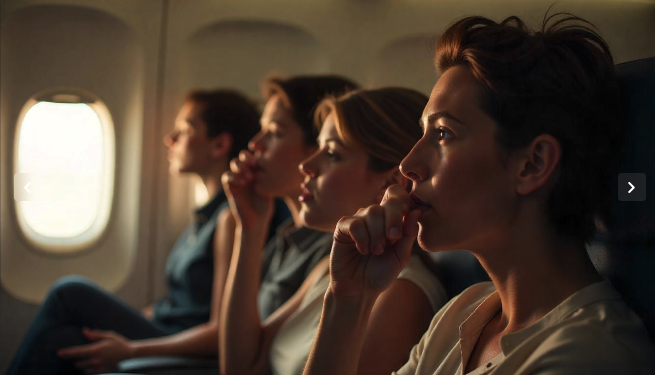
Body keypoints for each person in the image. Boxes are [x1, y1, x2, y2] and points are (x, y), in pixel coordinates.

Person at [302, 13, 655, 375]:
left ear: (532, 165)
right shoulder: (462, 312)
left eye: (442, 135)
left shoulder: (586, 355)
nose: (408, 164)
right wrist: (348, 300)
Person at [7, 90, 287, 375]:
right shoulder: (202, 218)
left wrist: (130, 349)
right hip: (163, 327)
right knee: (66, 341)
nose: (171, 139)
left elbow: (218, 331)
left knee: (69, 293)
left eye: (185, 129)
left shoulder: (232, 219)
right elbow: (175, 305)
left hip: (181, 340)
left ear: (219, 144)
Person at [220, 88, 448, 375]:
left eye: (331, 154)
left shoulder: (401, 296)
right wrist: (250, 228)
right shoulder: (330, 270)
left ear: (392, 182)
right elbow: (241, 366)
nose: (306, 166)